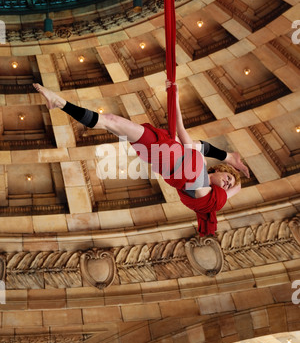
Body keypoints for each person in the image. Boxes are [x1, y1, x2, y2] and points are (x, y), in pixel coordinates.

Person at [33, 82, 249, 236]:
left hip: (163, 155)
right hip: (167, 145)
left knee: (113, 123)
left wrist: (233, 172)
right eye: (228, 177)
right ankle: (59, 103)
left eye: (228, 183)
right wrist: (173, 98)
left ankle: (59, 103)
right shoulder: (199, 163)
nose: (228, 182)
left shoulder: (208, 198)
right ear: (217, 170)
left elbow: (232, 193)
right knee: (111, 120)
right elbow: (181, 128)